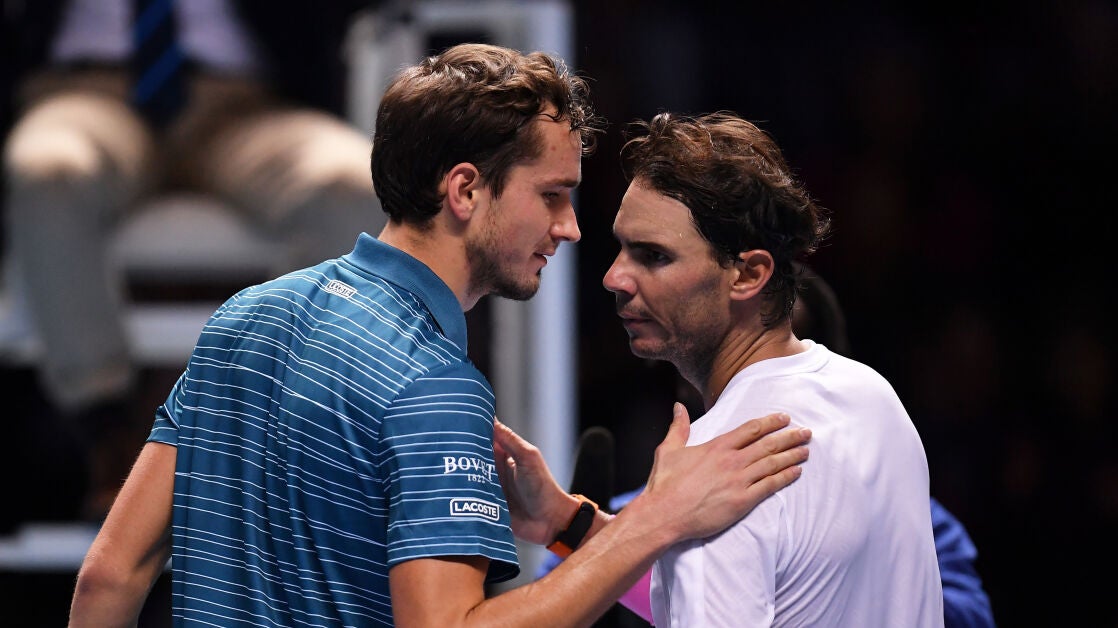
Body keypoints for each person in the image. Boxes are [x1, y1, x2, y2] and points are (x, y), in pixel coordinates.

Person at [67, 44, 814, 626]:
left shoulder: (244, 317)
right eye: (552, 195)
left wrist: (569, 522)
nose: (570, 227)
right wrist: (653, 522)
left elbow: (108, 576)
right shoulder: (433, 386)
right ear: (464, 189)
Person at [2, 1, 383, 519]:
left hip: (246, 102)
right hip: (84, 92)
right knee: (48, 172)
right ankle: (109, 432)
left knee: (348, 184)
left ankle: (265, 437)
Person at [597, 111, 943, 626]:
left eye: (653, 256)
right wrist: (569, 522)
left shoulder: (713, 467)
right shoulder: (873, 397)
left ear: (748, 274)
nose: (614, 277)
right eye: (622, 248)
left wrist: (662, 512)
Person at [539, 262, 995, 628]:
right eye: (741, 362)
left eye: (779, 359)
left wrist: (852, 572)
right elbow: (569, 597)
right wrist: (573, 528)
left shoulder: (903, 504)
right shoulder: (630, 514)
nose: (757, 379)